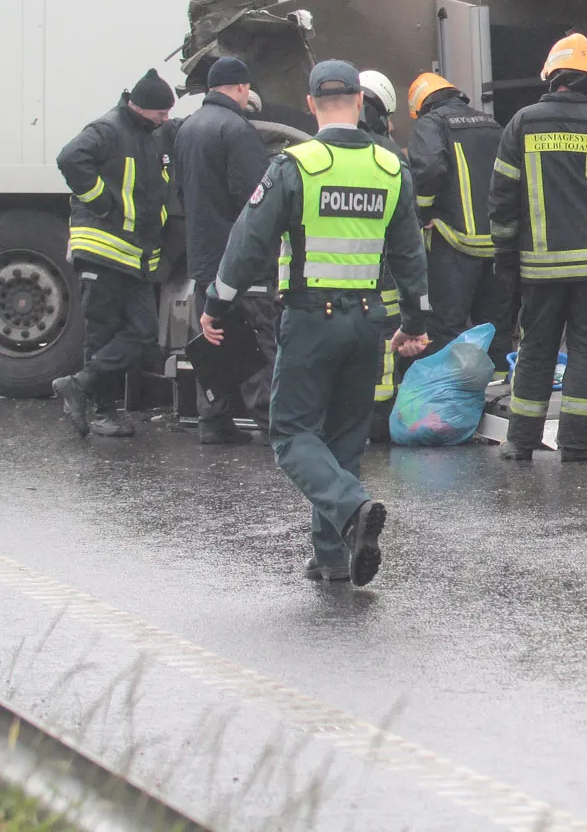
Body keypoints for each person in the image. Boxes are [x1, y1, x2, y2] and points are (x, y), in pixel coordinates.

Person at [199, 60, 430, 586]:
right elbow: (410, 255)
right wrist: (414, 320)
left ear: (310, 105)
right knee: (343, 440)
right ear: (358, 101)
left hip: (310, 318)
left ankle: (351, 512)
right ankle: (331, 557)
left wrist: (218, 302)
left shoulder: (296, 165)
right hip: (368, 321)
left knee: (292, 434)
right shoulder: (391, 168)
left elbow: (248, 241)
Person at [490, 33, 587, 462]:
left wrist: (504, 257)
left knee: (536, 351)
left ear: (552, 76)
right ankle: (576, 444)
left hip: (540, 269)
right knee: (585, 352)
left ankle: (520, 442)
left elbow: (502, 198)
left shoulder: (522, 123)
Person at [52, 68, 175, 438]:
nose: (165, 119)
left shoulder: (150, 134)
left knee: (143, 333)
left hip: (133, 256)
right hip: (104, 249)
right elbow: (70, 158)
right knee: (103, 334)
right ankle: (103, 413)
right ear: (141, 107)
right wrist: (102, 203)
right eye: (161, 112)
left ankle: (80, 384)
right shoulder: (107, 130)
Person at [171, 55, 278, 442]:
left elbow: (180, 190)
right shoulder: (237, 129)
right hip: (238, 258)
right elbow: (255, 200)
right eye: (247, 87)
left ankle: (213, 420)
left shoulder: (185, 129)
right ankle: (270, 424)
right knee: (255, 336)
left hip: (202, 254)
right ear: (239, 88)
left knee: (213, 336)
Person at [406, 73, 510, 364]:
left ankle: (448, 398)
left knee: (447, 327)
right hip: (498, 246)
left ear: (422, 105)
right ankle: (496, 394)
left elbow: (427, 168)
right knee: (494, 330)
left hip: (454, 243)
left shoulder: (431, 124)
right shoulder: (492, 123)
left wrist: (423, 211)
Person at [358, 70, 407, 439]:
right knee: (384, 341)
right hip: (384, 269)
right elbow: (408, 219)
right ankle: (377, 422)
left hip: (330, 278)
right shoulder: (389, 154)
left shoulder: (318, 149)